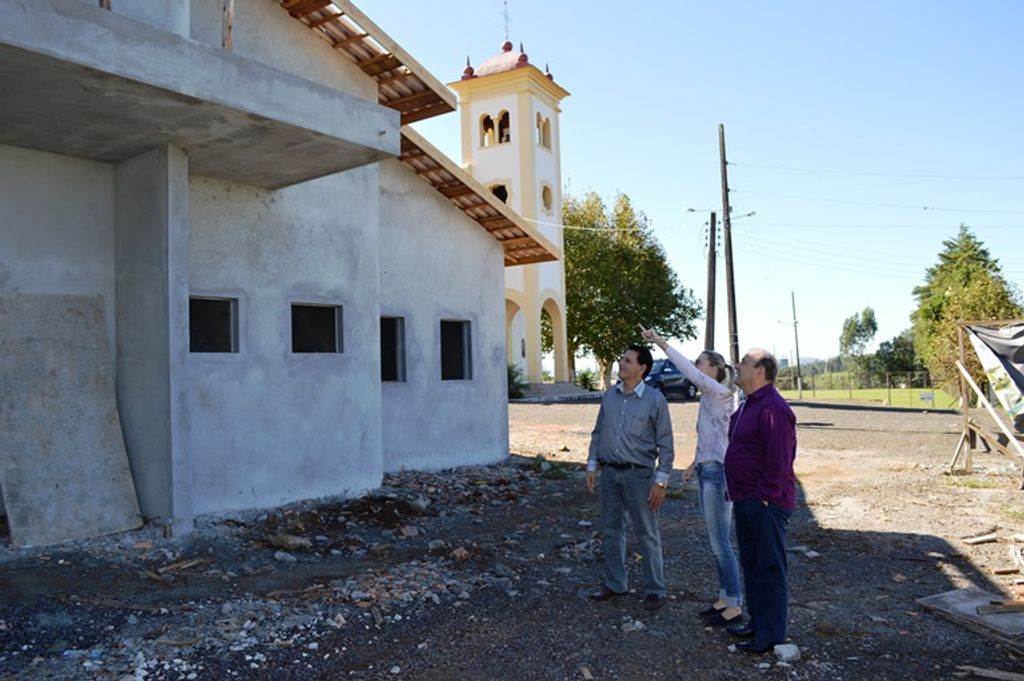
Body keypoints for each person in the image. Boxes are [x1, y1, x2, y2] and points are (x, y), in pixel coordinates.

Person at [641, 328, 742, 626]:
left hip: (719, 474)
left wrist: (660, 342)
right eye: (697, 362)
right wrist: (693, 464)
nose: (696, 368)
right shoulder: (710, 397)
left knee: (720, 542)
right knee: (716, 541)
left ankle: (734, 604)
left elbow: (689, 372)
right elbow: (712, 437)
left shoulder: (720, 392)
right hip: (708, 469)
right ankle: (725, 598)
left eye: (701, 363)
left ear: (714, 369)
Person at [585, 344, 674, 611]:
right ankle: (616, 584)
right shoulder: (609, 396)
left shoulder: (655, 400)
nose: (621, 364)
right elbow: (598, 432)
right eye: (622, 360)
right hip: (610, 474)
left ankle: (655, 589)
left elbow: (666, 444)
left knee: (647, 533)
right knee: (611, 532)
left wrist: (661, 482)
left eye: (627, 360)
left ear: (642, 368)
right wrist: (592, 466)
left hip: (641, 477)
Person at [722, 349, 798, 654]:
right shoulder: (748, 404)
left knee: (769, 567)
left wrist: (765, 496)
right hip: (745, 498)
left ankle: (770, 634)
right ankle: (757, 623)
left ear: (760, 372)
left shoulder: (773, 408)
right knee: (752, 564)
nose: (737, 367)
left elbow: (780, 459)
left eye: (744, 363)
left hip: (765, 502)